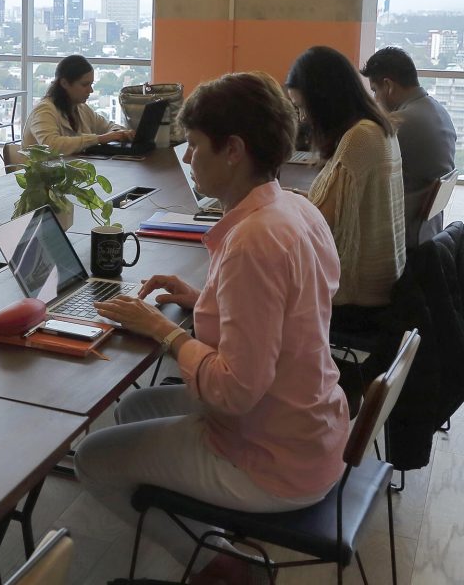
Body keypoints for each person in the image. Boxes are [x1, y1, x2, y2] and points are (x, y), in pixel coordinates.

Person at [75, 72, 349, 585]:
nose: (187, 156)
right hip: (311, 426)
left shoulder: (254, 241)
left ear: (233, 151)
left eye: (196, 145)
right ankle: (205, 533)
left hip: (272, 459)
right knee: (135, 407)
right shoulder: (294, 206)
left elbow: (235, 391)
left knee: (91, 458)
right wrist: (205, 298)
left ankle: (222, 566)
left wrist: (165, 330)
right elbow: (286, 312)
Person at [285, 46, 405, 330]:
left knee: (258, 287)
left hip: (358, 297)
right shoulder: (376, 126)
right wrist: (297, 199)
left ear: (325, 100)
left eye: (303, 107)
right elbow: (344, 205)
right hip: (385, 283)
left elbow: (321, 224)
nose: (302, 118)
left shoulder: (359, 137)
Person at [361, 46, 457, 247]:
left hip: (403, 235)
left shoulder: (400, 122)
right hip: (429, 230)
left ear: (388, 85)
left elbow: (361, 171)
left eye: (375, 90)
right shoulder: (438, 111)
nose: (376, 99)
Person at [22, 54, 134, 155]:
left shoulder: (81, 108)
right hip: (42, 171)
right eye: (85, 85)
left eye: (91, 84)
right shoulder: (44, 110)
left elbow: (107, 126)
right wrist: (99, 139)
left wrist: (120, 133)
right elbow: (51, 146)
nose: (90, 90)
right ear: (64, 83)